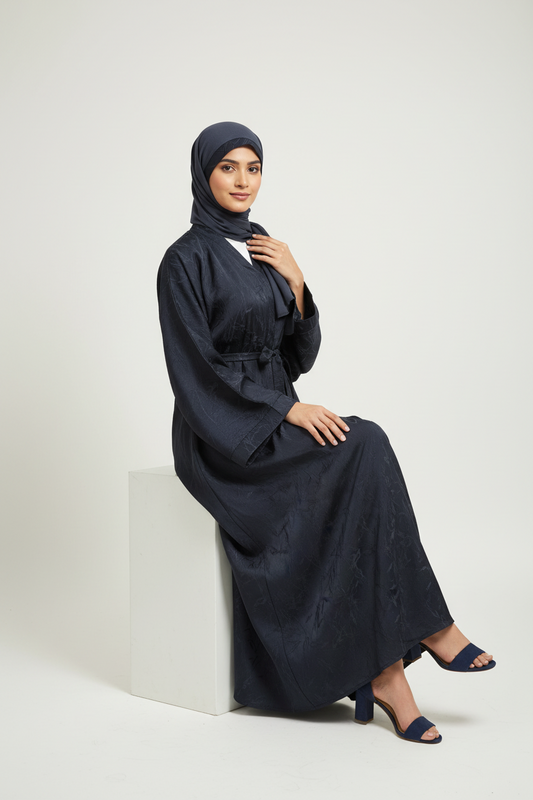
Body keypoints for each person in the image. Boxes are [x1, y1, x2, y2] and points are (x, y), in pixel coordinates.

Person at [157, 121, 495, 745]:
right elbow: (192, 370)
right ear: (204, 173)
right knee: (363, 442)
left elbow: (296, 355)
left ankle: (389, 672)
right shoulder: (183, 259)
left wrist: (297, 283)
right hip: (222, 432)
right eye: (228, 167)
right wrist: (283, 412)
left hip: (272, 409)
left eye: (253, 167)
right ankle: (426, 629)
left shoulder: (262, 244)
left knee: (365, 455)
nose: (241, 180)